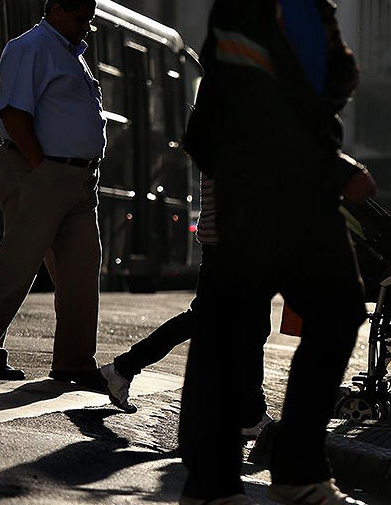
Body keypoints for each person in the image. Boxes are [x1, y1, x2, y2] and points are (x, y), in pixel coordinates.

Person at [177, 0, 373, 504]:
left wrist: (320, 150)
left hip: (301, 185)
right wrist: (329, 162)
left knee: (339, 310)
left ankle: (294, 468)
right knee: (229, 326)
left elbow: (336, 76)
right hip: (255, 185)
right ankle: (214, 481)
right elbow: (251, 100)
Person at [0, 0, 109, 392]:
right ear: (56, 11)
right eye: (81, 19)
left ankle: (75, 361)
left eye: (90, 21)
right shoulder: (31, 47)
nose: (86, 28)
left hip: (77, 179)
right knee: (17, 265)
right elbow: (14, 113)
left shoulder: (70, 53)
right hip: (38, 171)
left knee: (80, 270)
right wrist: (43, 167)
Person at [100, 174, 272, 438]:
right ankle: (249, 414)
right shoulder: (238, 134)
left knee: (216, 321)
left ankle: (123, 369)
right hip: (237, 242)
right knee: (246, 326)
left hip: (236, 241)